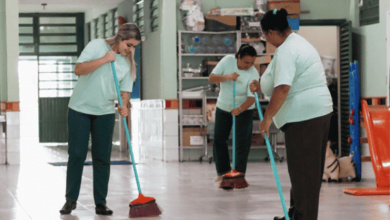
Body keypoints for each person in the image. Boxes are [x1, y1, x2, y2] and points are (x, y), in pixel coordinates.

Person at [250, 8, 333, 220]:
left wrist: (267, 118)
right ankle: (297, 214)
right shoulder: (294, 43)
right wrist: (260, 86)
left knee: (305, 175)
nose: (266, 39)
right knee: (303, 173)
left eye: (265, 35)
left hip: (305, 117)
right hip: (312, 114)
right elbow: (278, 81)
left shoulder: (288, 50)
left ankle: (303, 217)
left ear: (270, 32)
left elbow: (283, 88)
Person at [60, 23, 141, 215]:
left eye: (134, 46)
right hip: (79, 109)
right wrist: (105, 59)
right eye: (128, 45)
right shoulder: (97, 46)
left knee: (102, 158)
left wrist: (124, 106)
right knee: (77, 155)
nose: (131, 50)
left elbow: (125, 91)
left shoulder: (128, 63)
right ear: (119, 38)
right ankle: (70, 200)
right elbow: (78, 69)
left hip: (104, 112)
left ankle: (100, 203)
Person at [209, 44, 259, 182]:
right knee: (219, 139)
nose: (249, 65)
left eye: (252, 63)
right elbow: (212, 78)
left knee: (242, 142)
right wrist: (227, 76)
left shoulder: (253, 73)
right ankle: (223, 171)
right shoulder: (227, 61)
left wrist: (240, 109)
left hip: (244, 109)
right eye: (246, 62)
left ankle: (239, 173)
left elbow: (251, 98)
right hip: (223, 107)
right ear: (238, 57)